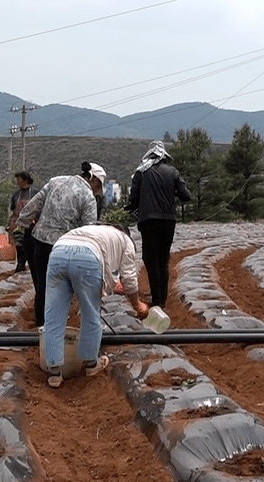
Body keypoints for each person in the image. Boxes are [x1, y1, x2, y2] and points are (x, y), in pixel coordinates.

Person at [42, 223, 150, 388]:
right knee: (90, 312)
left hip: (58, 252)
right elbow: (129, 278)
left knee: (53, 316)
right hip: (87, 256)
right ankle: (91, 364)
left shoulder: (95, 231)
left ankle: (54, 372)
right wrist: (137, 304)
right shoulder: (126, 241)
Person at [17, 161, 107, 327]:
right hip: (64, 248)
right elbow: (88, 230)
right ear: (93, 180)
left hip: (40, 242)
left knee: (43, 286)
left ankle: (41, 325)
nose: (96, 191)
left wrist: (23, 222)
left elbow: (33, 205)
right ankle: (55, 326)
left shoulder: (55, 181)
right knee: (61, 287)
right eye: (98, 186)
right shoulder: (88, 197)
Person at [125, 140, 191, 309]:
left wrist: (128, 208)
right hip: (169, 221)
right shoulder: (173, 172)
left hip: (148, 221)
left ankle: (156, 300)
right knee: (163, 259)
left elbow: (133, 200)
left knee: (150, 259)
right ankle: (162, 298)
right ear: (163, 156)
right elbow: (186, 196)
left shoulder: (141, 173)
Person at [8, 171, 39, 273]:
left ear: (25, 180)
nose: (17, 182)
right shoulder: (16, 194)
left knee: (30, 244)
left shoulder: (35, 192)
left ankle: (30, 264)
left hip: (32, 222)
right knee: (19, 243)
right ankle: (20, 264)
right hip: (18, 222)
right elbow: (13, 208)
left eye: (18, 179)